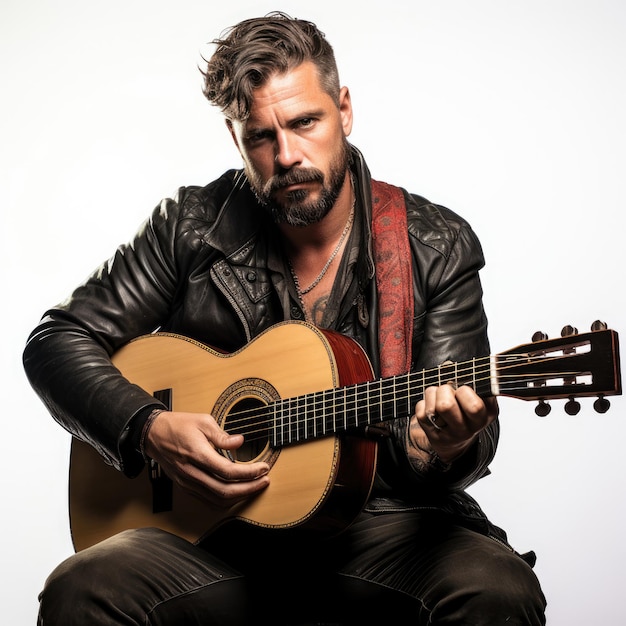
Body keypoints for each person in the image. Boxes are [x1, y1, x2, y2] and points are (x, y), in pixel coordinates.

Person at [24, 12, 546, 625]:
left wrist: (444, 444)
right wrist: (149, 428)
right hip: (213, 542)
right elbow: (56, 340)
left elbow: (452, 437)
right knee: (85, 585)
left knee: (496, 587)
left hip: (381, 531)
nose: (288, 155)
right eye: (262, 138)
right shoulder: (190, 226)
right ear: (236, 138)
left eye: (305, 122)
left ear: (344, 110)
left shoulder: (435, 245)